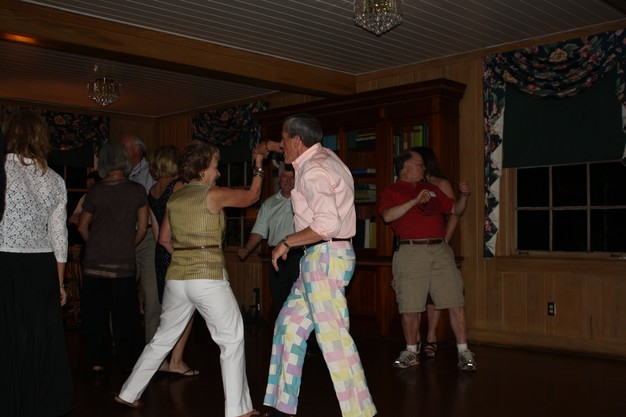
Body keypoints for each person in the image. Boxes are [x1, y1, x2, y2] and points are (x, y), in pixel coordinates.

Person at [115, 140, 265, 417]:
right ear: (202, 169)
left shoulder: (175, 199)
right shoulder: (212, 194)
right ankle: (238, 410)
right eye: (215, 167)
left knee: (162, 339)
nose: (218, 172)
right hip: (207, 278)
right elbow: (252, 197)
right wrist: (258, 164)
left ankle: (128, 392)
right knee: (231, 339)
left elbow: (163, 239)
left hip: (177, 279)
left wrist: (186, 255)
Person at [258, 113, 377, 417]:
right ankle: (282, 408)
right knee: (288, 327)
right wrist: (271, 146)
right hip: (321, 258)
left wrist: (287, 241)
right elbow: (291, 147)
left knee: (334, 340)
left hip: (325, 256)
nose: (282, 145)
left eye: (285, 140)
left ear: (297, 141)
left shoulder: (313, 170)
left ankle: (362, 413)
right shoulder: (325, 157)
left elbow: (326, 224)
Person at [0, 109, 74, 417]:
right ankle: (41, 403)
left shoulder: (3, 170)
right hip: (42, 266)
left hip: (5, 262)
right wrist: (60, 284)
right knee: (39, 338)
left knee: (7, 336)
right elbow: (59, 237)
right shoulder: (54, 179)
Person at [379, 149, 477, 371]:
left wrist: (464, 196)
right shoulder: (392, 191)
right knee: (410, 306)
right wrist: (414, 201)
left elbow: (455, 209)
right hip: (411, 252)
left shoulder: (432, 189)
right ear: (406, 167)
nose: (424, 168)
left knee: (455, 301)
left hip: (440, 249)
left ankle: (464, 352)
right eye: (420, 164)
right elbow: (387, 216)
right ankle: (410, 351)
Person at [78, 143, 147, 373]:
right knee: (125, 316)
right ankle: (129, 362)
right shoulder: (137, 190)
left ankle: (97, 361)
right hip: (123, 263)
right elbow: (142, 228)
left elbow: (82, 226)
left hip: (94, 263)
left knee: (95, 316)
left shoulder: (95, 191)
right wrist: (127, 245)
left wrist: (95, 244)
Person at [147, 145, 197, 377]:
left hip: (161, 254)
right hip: (178, 251)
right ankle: (176, 360)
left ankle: (161, 360)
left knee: (167, 310)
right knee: (186, 309)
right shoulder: (178, 186)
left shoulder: (153, 190)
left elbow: (157, 232)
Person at [410, 146, 460, 359]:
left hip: (438, 245)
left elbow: (455, 213)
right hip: (415, 247)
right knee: (415, 294)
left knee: (435, 295)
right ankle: (414, 339)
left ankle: (431, 336)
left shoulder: (440, 183)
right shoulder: (410, 185)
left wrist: (445, 239)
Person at [238, 163, 300, 316]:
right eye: (285, 177)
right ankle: (281, 331)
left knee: (301, 302)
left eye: (292, 177)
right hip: (276, 259)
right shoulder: (269, 204)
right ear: (279, 179)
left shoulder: (304, 201)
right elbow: (259, 231)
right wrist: (247, 248)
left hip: (299, 256)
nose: (288, 180)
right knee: (279, 300)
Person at [121, 134, 161, 344]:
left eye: (124, 147)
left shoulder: (152, 172)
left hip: (147, 238)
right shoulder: (121, 174)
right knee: (122, 292)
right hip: (124, 238)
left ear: (137, 149)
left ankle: (152, 345)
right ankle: (122, 341)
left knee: (151, 294)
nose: (121, 151)